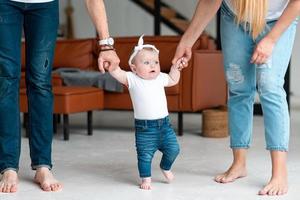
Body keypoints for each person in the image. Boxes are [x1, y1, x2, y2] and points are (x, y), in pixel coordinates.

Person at [172, 0, 300, 196]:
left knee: (270, 86)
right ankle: (239, 163)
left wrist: (271, 39)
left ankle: (279, 173)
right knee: (238, 87)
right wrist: (186, 41)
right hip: (235, 18)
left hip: (277, 20)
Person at [0, 0, 63, 193]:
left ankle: (43, 165)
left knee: (41, 83)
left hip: (45, 4)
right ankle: (8, 166)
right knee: (5, 80)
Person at [109, 35, 183, 190]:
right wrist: (111, 64)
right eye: (147, 62)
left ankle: (165, 166)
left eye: (155, 62)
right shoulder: (132, 78)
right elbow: (117, 72)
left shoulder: (161, 77)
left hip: (164, 126)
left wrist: (175, 68)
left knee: (174, 149)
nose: (153, 65)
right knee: (145, 156)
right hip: (145, 129)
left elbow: (173, 80)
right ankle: (146, 179)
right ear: (134, 68)